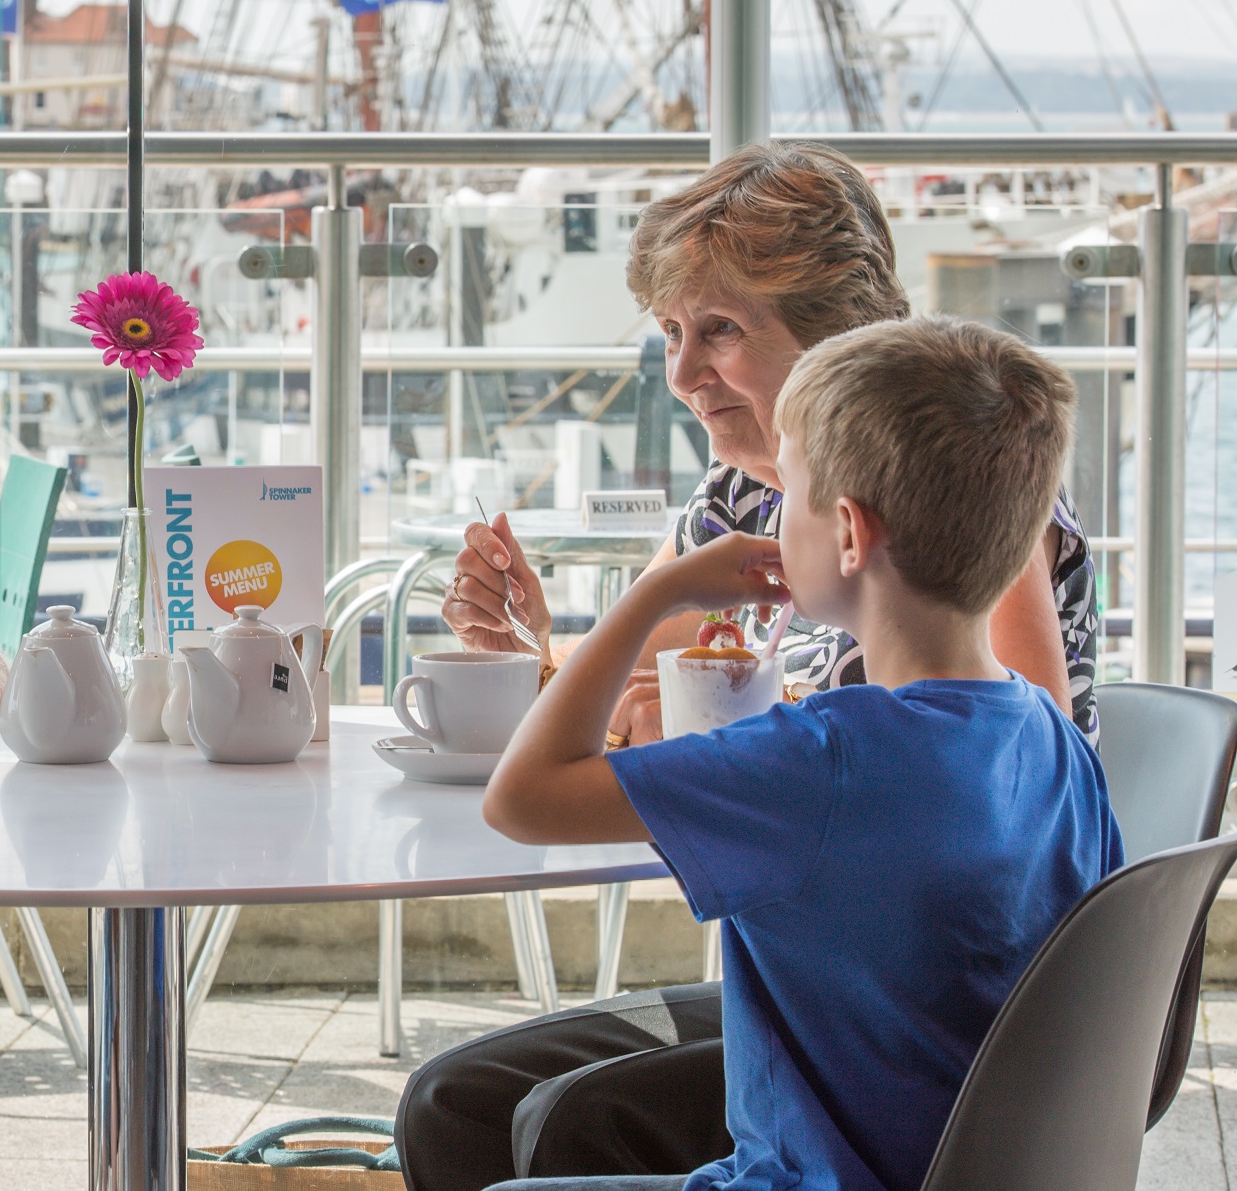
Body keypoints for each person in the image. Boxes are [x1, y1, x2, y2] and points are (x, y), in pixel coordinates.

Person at [401, 144, 1103, 1191]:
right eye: (672, 333)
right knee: (455, 1099)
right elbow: (648, 700)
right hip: (825, 949)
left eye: (721, 330)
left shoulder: (962, 504)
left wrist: (718, 716)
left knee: (563, 1120)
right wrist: (528, 659)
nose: (683, 375)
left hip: (937, 1013)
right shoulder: (738, 498)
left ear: (836, 333)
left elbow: (976, 755)